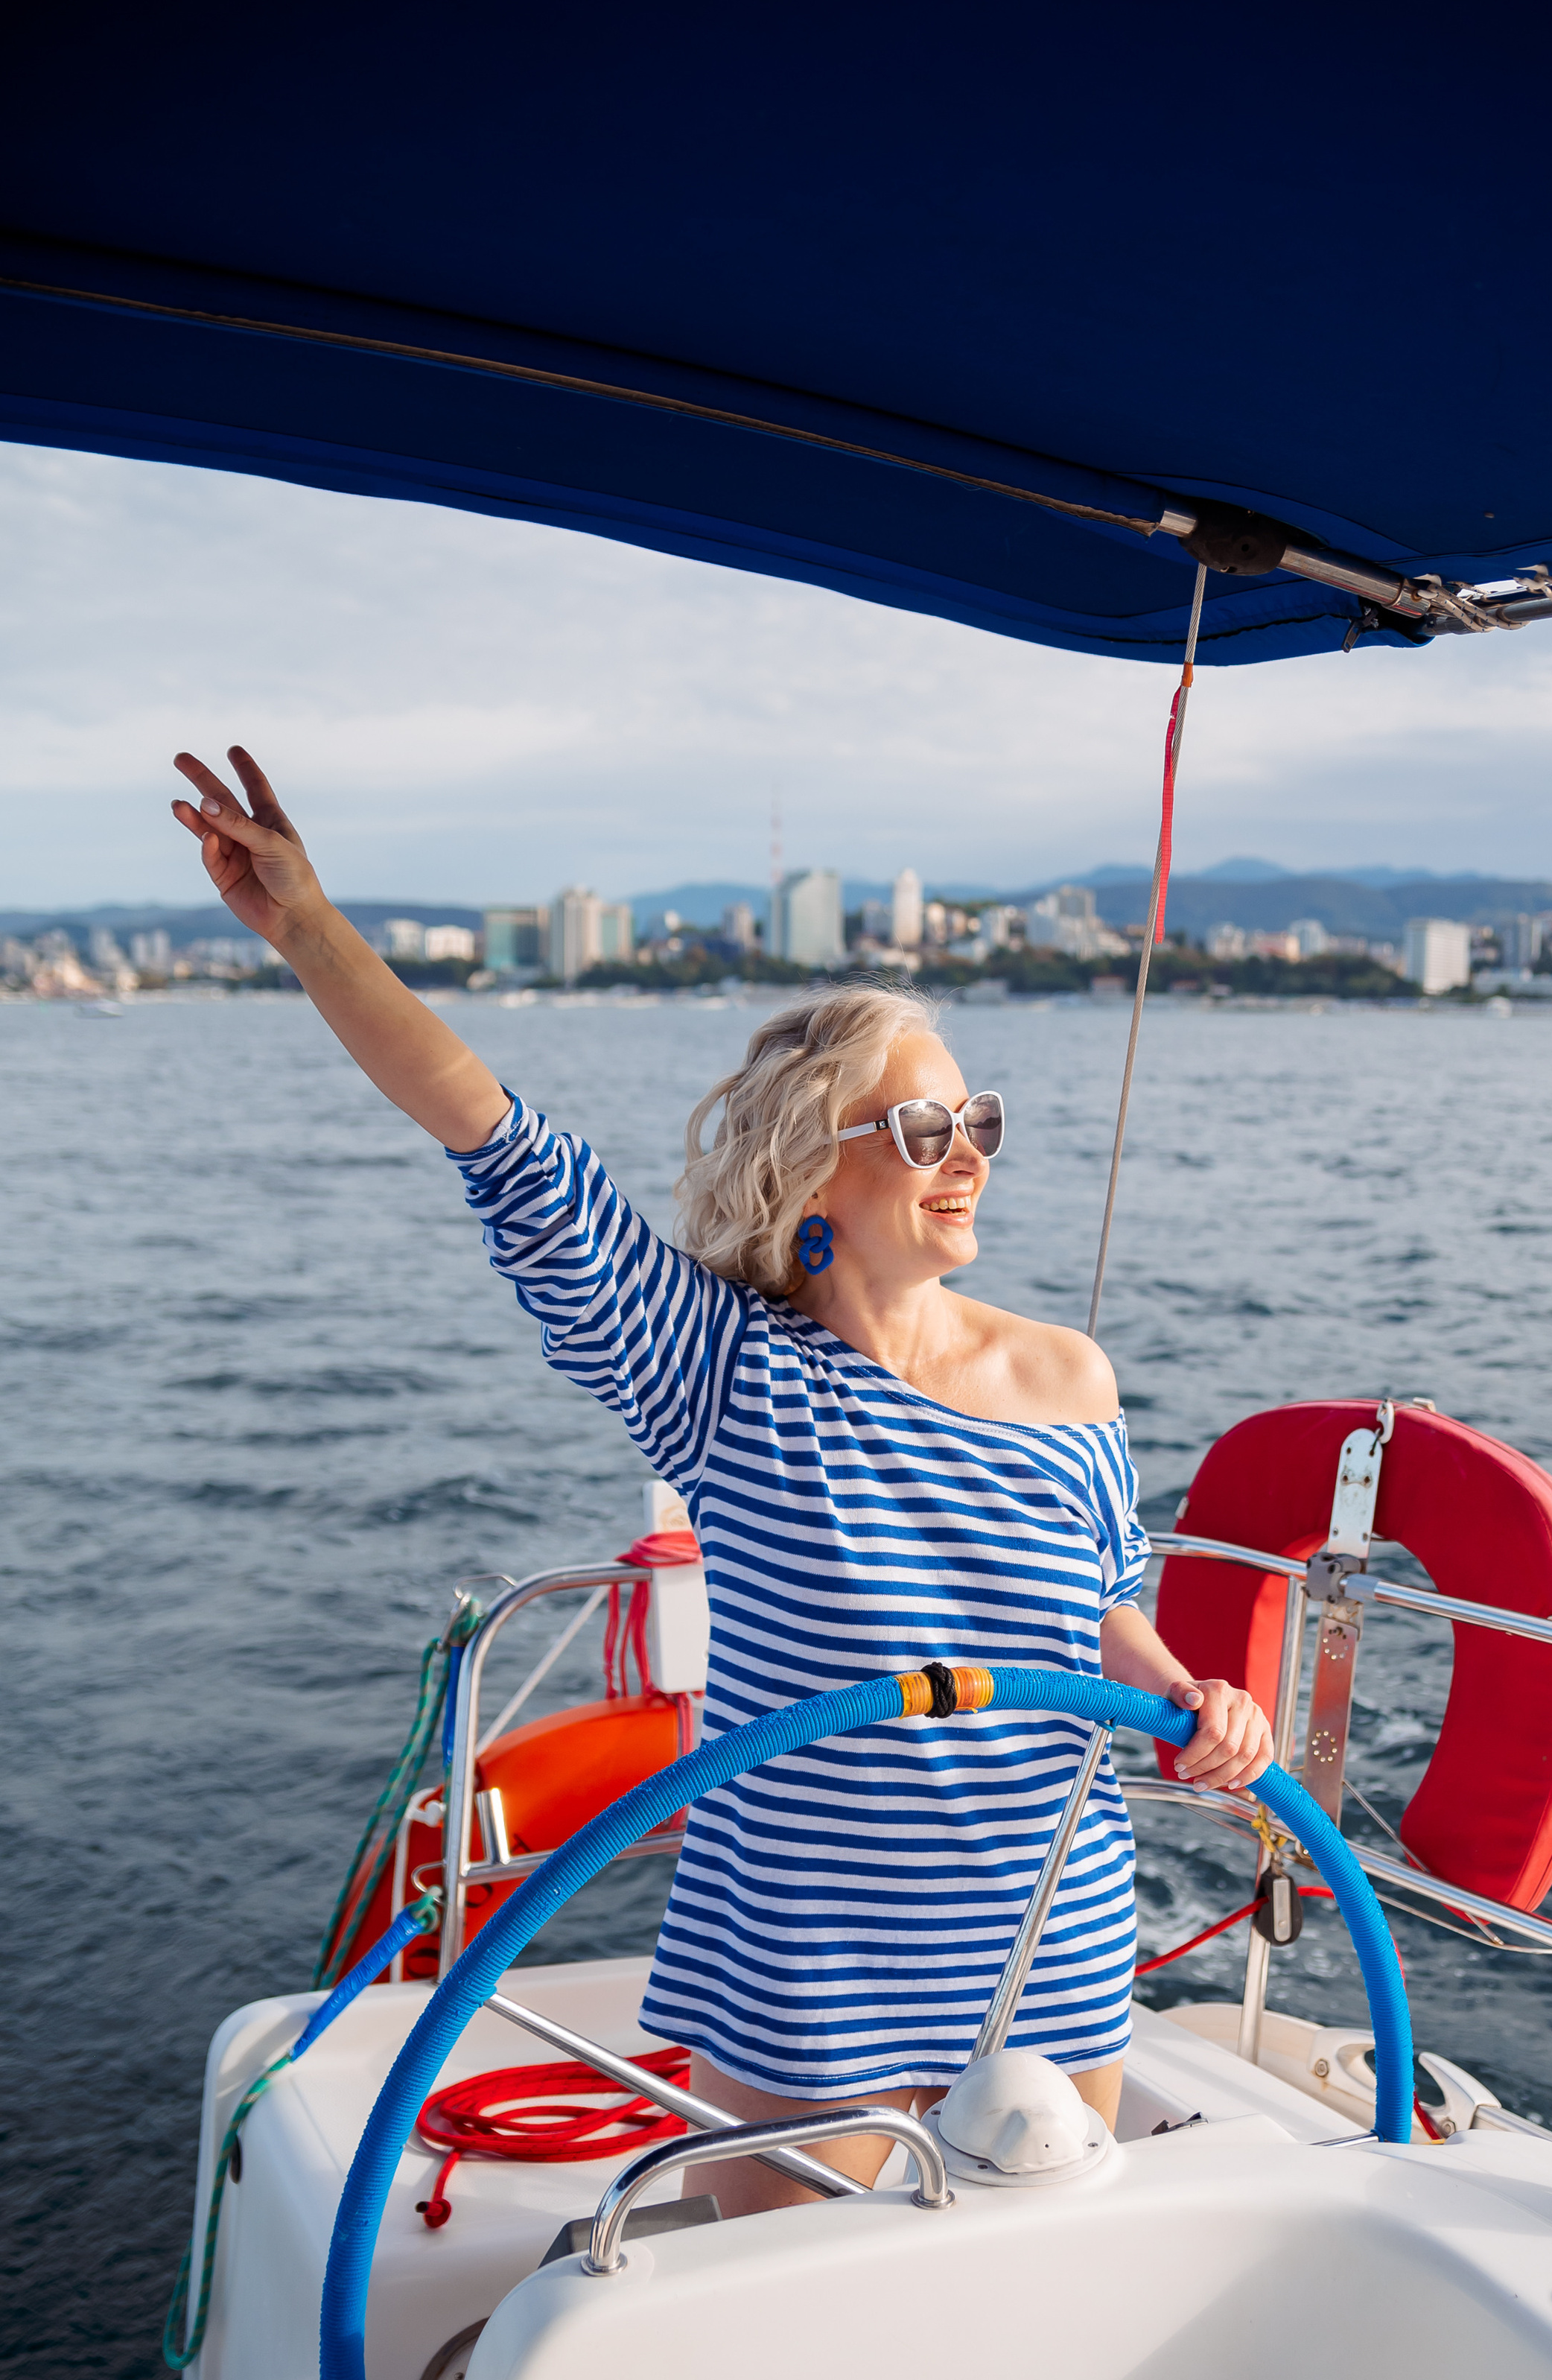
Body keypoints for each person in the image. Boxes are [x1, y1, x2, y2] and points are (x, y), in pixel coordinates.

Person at [171, 746, 1273, 2214]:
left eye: (978, 1123)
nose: (968, 1161)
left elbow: (1100, 1602)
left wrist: (1195, 1702)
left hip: (1049, 1930)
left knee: (1030, 2307)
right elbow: (504, 1144)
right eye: (923, 1131)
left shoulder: (1066, 1376)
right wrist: (311, 930)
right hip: (813, 1952)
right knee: (786, 2336)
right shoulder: (724, 1368)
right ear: (818, 1170)